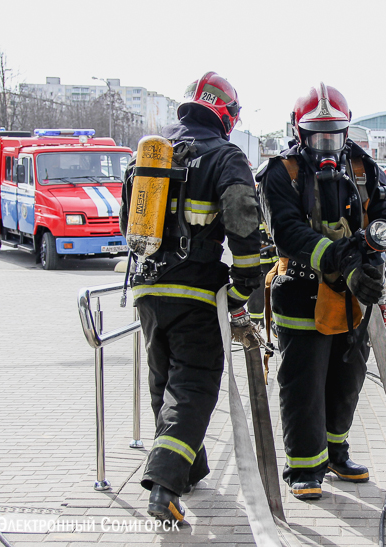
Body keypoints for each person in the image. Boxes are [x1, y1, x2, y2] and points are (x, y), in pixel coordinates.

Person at [120, 72, 261, 522]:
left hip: (147, 287)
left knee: (165, 384)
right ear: (227, 114)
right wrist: (243, 286)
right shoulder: (224, 155)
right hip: (196, 291)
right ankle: (163, 486)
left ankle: (189, 469)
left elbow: (130, 223)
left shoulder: (149, 155)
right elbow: (243, 221)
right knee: (194, 384)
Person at [257, 83, 386, 500]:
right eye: (317, 135)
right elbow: (288, 233)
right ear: (300, 133)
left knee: (348, 379)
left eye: (333, 134)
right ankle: (305, 466)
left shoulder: (365, 168)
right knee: (304, 382)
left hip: (356, 295)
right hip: (301, 289)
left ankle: (337, 452)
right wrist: (345, 260)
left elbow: (385, 220)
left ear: (346, 130)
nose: (326, 144)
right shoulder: (280, 173)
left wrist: (369, 264)